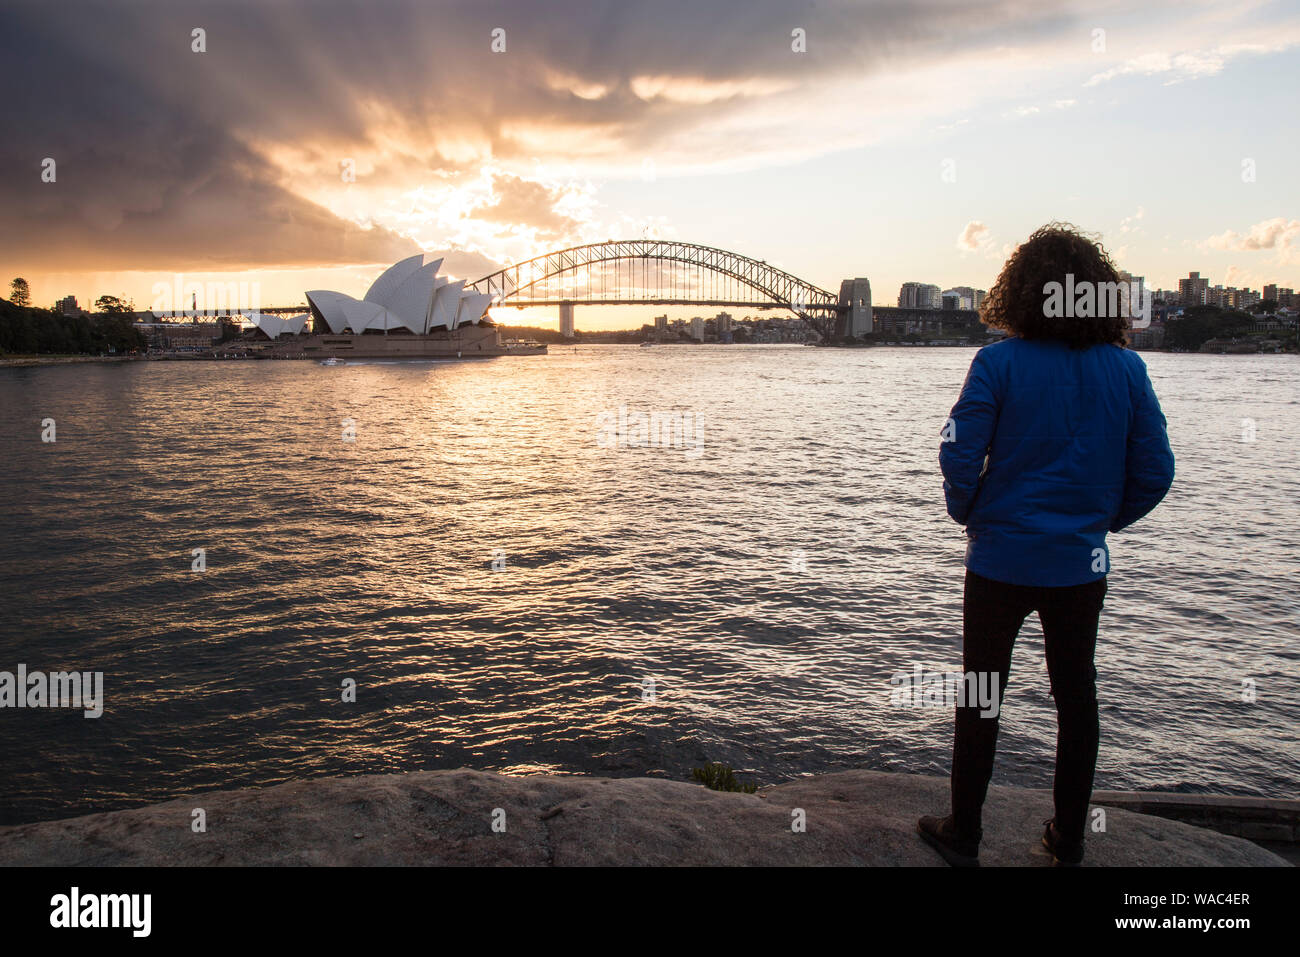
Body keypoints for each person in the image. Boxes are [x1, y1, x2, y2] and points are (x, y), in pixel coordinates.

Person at [918, 223, 1175, 867]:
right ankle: (1068, 838)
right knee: (1076, 696)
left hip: (999, 561)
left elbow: (957, 449)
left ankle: (965, 831)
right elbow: (1156, 470)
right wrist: (1101, 522)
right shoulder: (1127, 368)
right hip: (1078, 566)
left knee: (981, 694)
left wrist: (970, 512)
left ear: (1025, 292)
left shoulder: (998, 362)